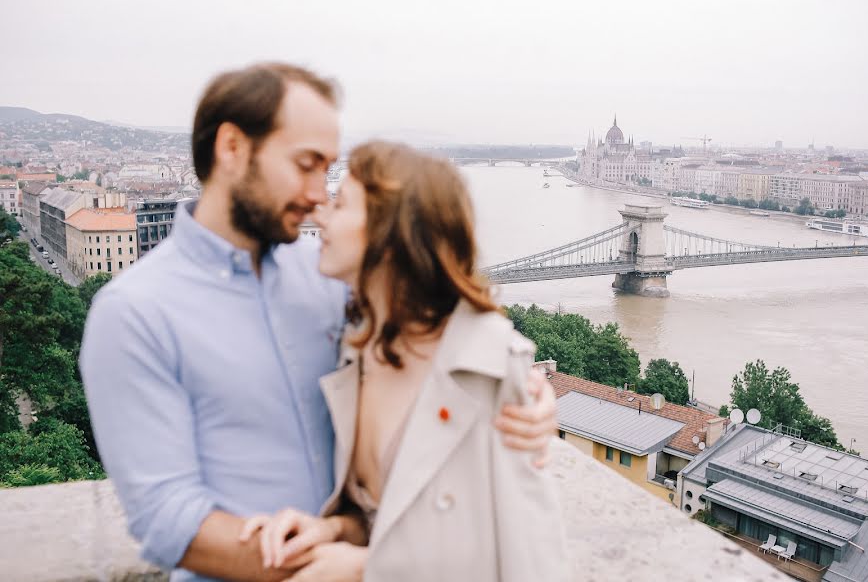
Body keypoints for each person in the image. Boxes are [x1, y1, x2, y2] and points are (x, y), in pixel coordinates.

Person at [80, 63, 559, 582]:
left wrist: (522, 390)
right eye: (306, 165)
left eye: (329, 170)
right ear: (233, 148)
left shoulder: (333, 278)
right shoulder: (131, 313)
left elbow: (443, 338)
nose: (316, 195)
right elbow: (168, 521)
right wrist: (346, 570)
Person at [240, 142, 567, 581]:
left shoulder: (488, 369)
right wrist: (332, 527)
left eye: (340, 204)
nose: (320, 215)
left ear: (389, 234)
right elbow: (387, 517)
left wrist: (362, 570)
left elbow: (529, 561)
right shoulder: (360, 349)